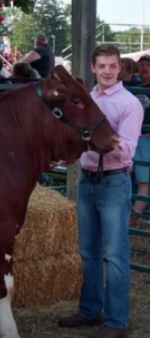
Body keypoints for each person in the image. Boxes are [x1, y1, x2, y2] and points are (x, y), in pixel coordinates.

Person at [58, 44, 144, 338]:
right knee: (87, 251)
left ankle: (116, 322)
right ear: (93, 68)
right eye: (101, 66)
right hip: (87, 179)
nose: (107, 71)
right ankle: (90, 311)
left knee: (115, 253)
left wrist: (104, 136)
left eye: (112, 66)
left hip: (114, 180)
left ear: (120, 68)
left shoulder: (129, 104)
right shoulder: (87, 98)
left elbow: (129, 149)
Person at [131, 55, 150, 223]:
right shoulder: (134, 88)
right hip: (133, 138)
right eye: (141, 65)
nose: (143, 68)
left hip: (145, 140)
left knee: (144, 180)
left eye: (147, 65)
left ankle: (135, 216)